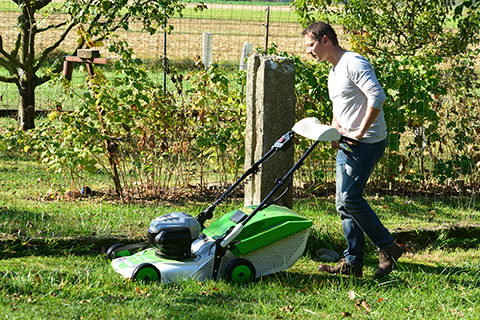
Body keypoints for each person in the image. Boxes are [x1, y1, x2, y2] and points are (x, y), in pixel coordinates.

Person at [302, 21, 403, 278]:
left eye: (311, 45)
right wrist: (336, 131)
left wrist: (359, 131)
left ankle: (387, 247)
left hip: (367, 143)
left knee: (350, 197)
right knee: (343, 204)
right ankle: (353, 263)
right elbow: (339, 108)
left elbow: (377, 96)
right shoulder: (333, 72)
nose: (308, 51)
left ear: (326, 40)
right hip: (347, 143)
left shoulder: (353, 63)